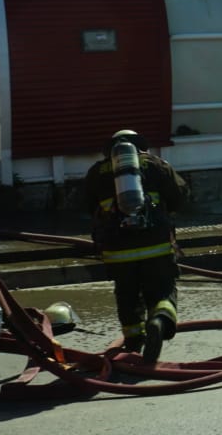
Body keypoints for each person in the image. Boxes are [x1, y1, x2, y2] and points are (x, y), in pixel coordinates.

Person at [83, 129, 188, 364]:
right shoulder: (157, 165)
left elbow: (88, 207)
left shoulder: (97, 172)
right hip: (157, 246)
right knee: (162, 289)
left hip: (116, 250)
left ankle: (132, 343)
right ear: (141, 146)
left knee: (126, 294)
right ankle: (158, 320)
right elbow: (180, 198)